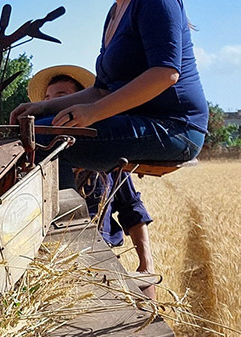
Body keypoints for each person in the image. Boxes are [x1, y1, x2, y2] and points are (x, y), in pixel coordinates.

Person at [10, 0, 207, 175]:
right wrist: (42, 106)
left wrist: (94, 113)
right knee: (30, 129)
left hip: (174, 128)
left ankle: (67, 216)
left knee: (47, 141)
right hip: (138, 121)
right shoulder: (115, 11)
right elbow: (101, 90)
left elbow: (165, 74)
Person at [28, 65, 155, 278]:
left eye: (61, 97)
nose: (53, 105)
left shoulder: (107, 156)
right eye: (47, 99)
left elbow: (131, 208)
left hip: (101, 262)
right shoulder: (38, 160)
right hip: (50, 265)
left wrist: (146, 265)